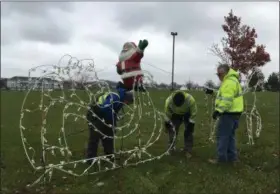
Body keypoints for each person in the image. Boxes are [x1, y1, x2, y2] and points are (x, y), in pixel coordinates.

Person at [205, 64, 244, 164]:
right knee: (230, 136)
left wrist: (218, 111)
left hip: (228, 114)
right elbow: (224, 94)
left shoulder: (229, 82)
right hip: (235, 113)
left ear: (225, 72)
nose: (218, 76)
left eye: (220, 74)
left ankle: (221, 159)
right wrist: (212, 92)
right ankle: (233, 158)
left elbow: (227, 100)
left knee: (222, 136)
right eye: (217, 74)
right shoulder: (232, 80)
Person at [86, 83, 134, 164]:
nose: (126, 104)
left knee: (109, 136)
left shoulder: (120, 100)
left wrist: (113, 123)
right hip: (95, 114)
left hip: (105, 115)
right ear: (126, 98)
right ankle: (90, 159)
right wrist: (112, 123)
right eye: (127, 102)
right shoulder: (115, 97)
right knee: (95, 136)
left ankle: (109, 156)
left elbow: (113, 112)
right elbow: (105, 109)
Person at [164, 90, 197, 157]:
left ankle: (188, 150)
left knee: (188, 132)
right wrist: (167, 122)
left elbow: (194, 113)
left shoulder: (190, 100)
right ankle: (171, 149)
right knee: (172, 131)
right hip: (175, 115)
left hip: (187, 114)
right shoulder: (168, 101)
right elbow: (167, 113)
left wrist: (191, 124)